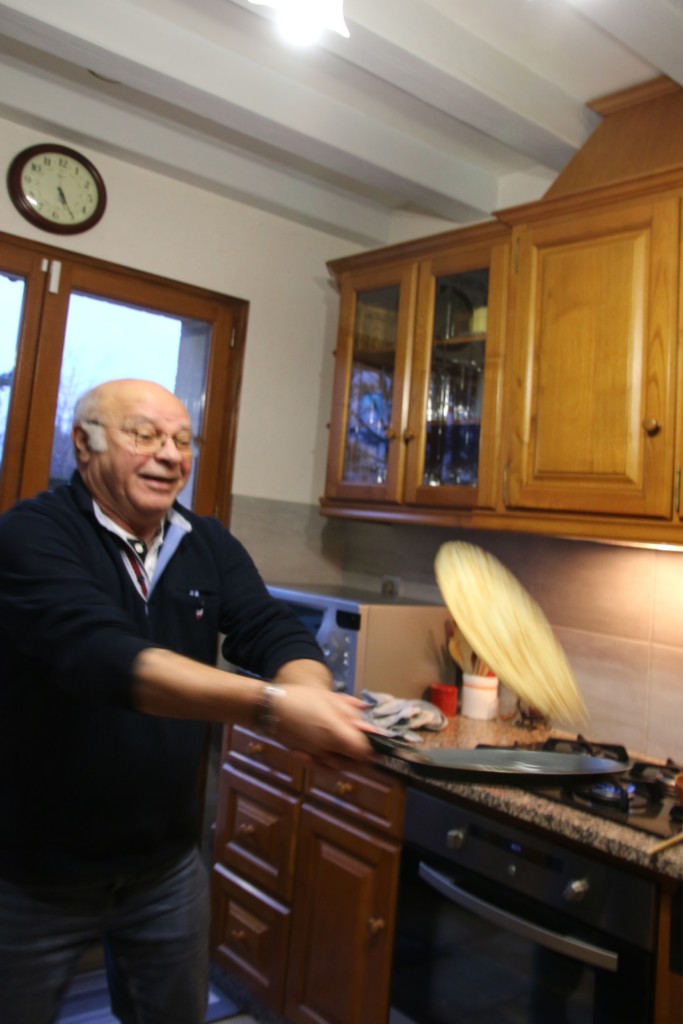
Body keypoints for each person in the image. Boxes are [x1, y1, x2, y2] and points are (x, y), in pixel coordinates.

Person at [0, 378, 372, 1024]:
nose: (170, 454)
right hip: (31, 874)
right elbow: (112, 658)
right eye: (143, 435)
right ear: (84, 444)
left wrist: (311, 696)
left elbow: (271, 627)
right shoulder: (32, 534)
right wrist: (275, 708)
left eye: (181, 439)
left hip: (165, 868)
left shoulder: (205, 542)